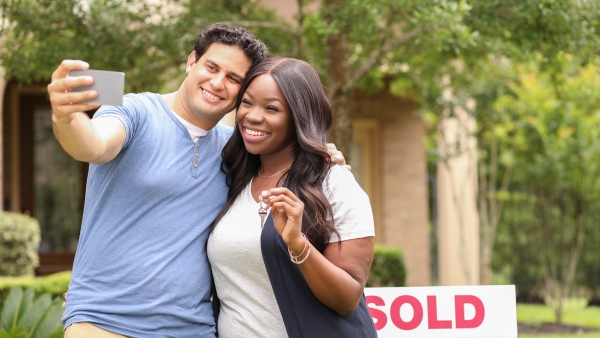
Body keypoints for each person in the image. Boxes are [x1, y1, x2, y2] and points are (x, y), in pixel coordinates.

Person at [49, 23, 268, 337]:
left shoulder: (235, 147)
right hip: (104, 322)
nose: (218, 83)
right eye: (212, 67)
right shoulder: (133, 110)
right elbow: (94, 144)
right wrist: (65, 116)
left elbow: (286, 168)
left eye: (234, 78)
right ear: (192, 61)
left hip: (194, 328)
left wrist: (325, 159)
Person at [207, 56, 378, 337]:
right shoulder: (233, 175)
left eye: (272, 108)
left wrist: (298, 245)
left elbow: (347, 298)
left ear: (300, 116)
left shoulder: (333, 183)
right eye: (247, 102)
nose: (252, 116)